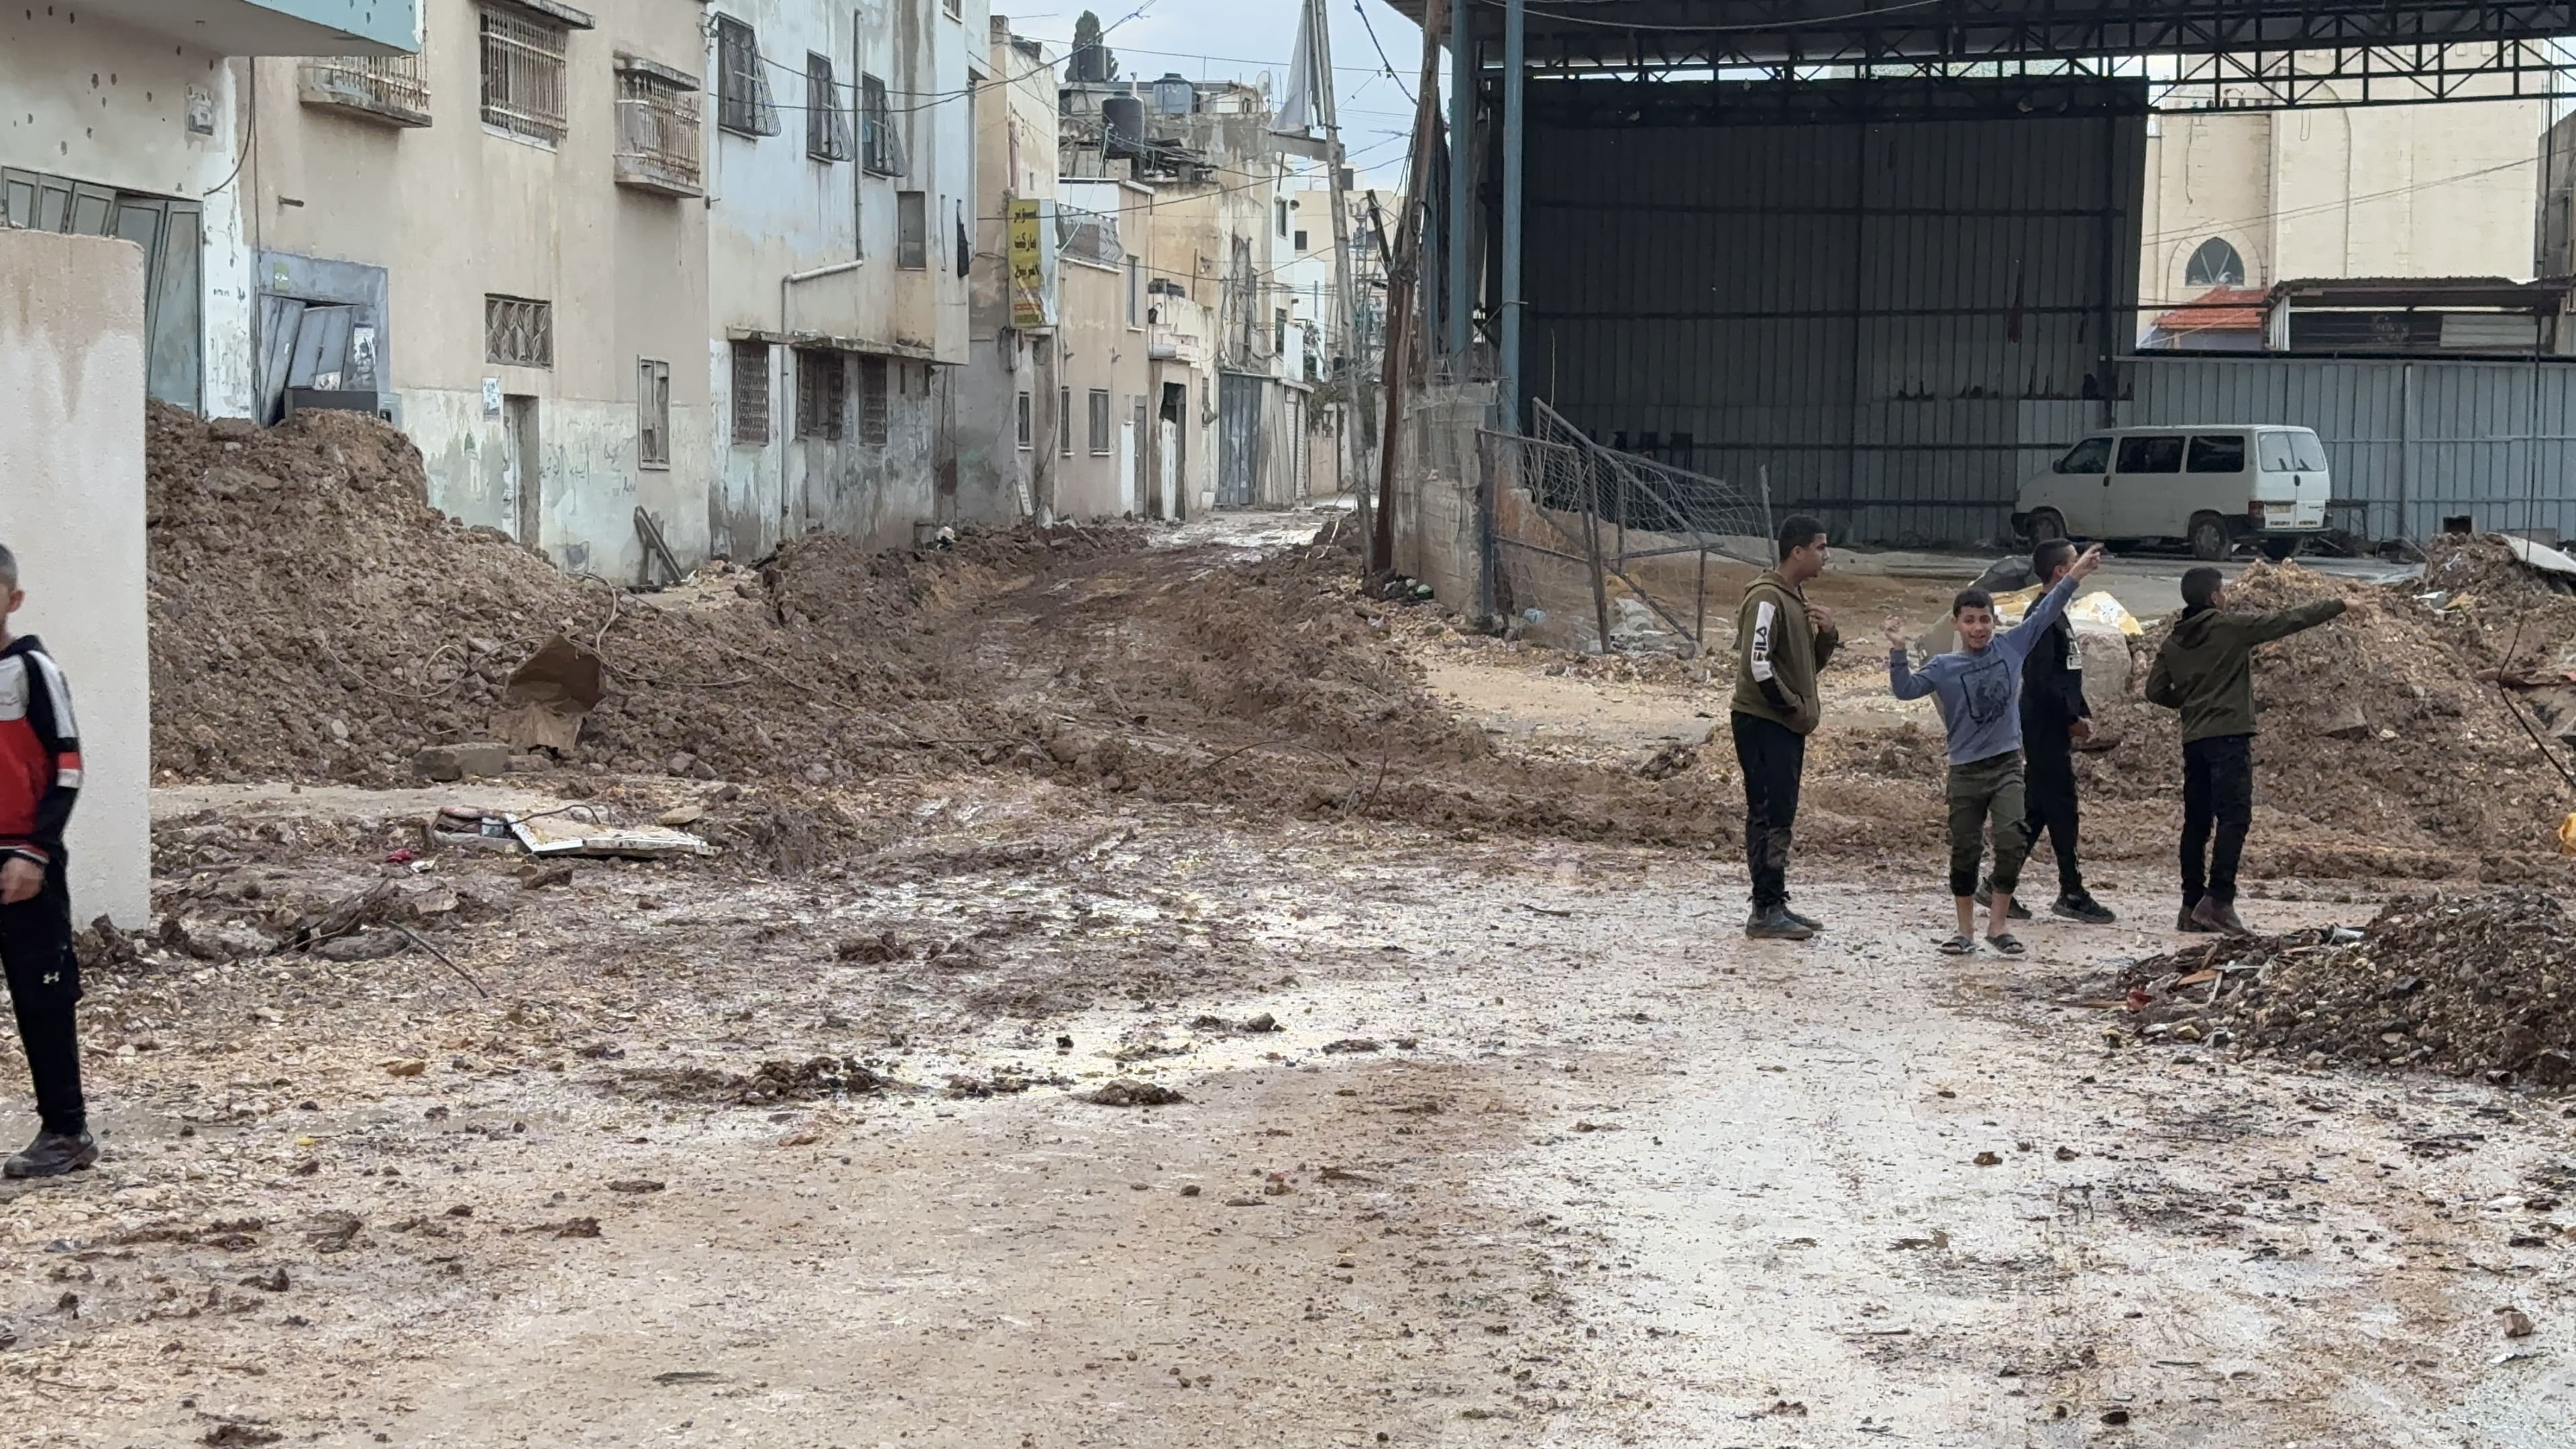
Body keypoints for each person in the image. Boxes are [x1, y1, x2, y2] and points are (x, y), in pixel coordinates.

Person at [1886, 543, 2105, 957]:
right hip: (1965, 771)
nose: (1978, 628)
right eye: (1969, 621)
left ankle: (1998, 926)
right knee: (1965, 851)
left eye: (1984, 619)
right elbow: (1905, 690)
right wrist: (1898, 650)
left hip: (2007, 765)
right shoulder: (1945, 667)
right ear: (1957, 624)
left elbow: (2047, 609)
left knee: (2010, 840)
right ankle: (1965, 931)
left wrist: (2076, 574)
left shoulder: (2012, 646)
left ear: (1994, 620)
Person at [2145, 566, 2348, 935]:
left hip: (2194, 740)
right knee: (2235, 818)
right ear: (2213, 597)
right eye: (2222, 591)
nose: (2226, 597)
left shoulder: (2173, 642)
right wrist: (2340, 604)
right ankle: (2219, 900)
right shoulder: (2229, 627)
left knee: (2196, 823)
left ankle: (2191, 904)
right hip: (2229, 736)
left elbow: (2154, 691)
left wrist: (2190, 702)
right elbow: (2286, 620)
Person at [0, 543, 93, 1179]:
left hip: (23, 862)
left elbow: (68, 765)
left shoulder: (32, 669)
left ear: (13, 599)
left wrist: (35, 851)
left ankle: (66, 1131)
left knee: (41, 996)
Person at [1729, 515, 1839, 941]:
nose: (1826, 557)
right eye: (1821, 548)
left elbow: (1804, 667)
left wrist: (1827, 634)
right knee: (1768, 812)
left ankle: (1774, 900)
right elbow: (1757, 667)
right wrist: (1792, 709)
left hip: (1784, 723)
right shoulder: (1767, 600)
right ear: (1798, 552)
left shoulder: (1794, 598)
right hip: (1764, 722)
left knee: (1781, 813)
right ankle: (1765, 909)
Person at [2017, 539, 2116, 924]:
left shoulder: (2058, 615)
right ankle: (2070, 891)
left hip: (2054, 726)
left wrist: (2081, 712)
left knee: (2041, 809)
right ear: (2061, 572)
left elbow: (2066, 672)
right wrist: (2068, 719)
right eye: (2074, 563)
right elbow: (2041, 680)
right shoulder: (2043, 615)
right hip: (2044, 727)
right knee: (2061, 809)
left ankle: (1999, 882)